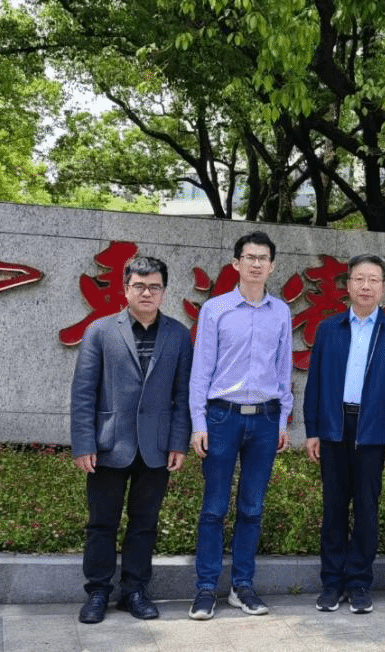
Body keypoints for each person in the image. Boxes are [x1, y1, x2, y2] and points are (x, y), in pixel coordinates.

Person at [70, 256, 193, 624]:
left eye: (154, 287)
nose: (147, 293)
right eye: (139, 286)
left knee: (144, 524)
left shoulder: (178, 334)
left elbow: (183, 394)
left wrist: (179, 442)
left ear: (164, 291)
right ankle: (97, 592)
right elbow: (83, 392)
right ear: (126, 289)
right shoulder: (100, 331)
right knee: (101, 523)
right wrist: (84, 444)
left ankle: (135, 591)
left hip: (156, 447)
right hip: (109, 445)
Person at [187, 231, 293, 620]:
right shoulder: (215, 310)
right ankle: (205, 588)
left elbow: (283, 369)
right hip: (222, 417)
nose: (256, 264)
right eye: (250, 257)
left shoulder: (280, 312)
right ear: (236, 263)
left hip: (265, 418)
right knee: (214, 507)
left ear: (272, 266)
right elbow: (201, 370)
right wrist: (199, 422)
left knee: (252, 507)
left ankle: (242, 586)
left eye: (263, 258)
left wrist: (282, 419)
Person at [303, 254, 385, 615]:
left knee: (366, 509)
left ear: (383, 287)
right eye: (360, 279)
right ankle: (332, 583)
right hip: (334, 427)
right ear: (348, 285)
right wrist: (313, 430)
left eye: (373, 280)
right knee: (334, 508)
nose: (366, 286)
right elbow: (315, 383)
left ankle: (359, 583)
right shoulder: (329, 329)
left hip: (373, 431)